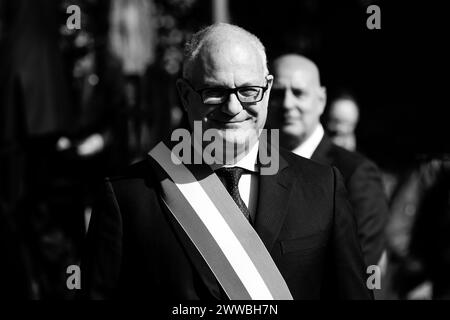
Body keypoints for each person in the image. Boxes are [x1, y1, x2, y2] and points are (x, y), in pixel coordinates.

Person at [82, 23, 371, 300]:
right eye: (215, 92)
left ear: (267, 90)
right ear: (185, 95)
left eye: (248, 90)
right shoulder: (129, 198)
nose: (233, 107)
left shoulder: (322, 188)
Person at [267, 54, 388, 268]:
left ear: (321, 100)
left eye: (298, 93)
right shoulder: (251, 164)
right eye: (277, 93)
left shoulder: (356, 173)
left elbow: (359, 267)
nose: (287, 103)